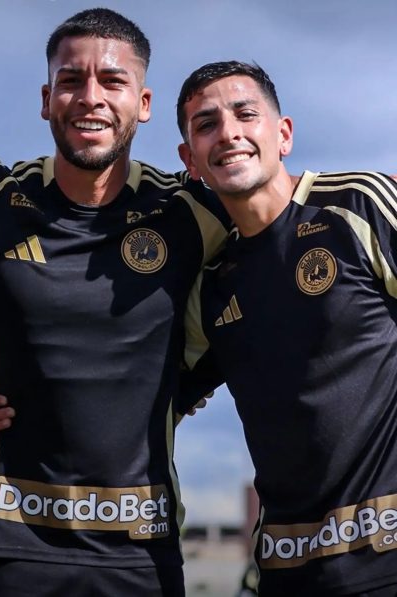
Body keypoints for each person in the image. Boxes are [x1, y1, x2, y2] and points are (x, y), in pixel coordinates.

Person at [0, 8, 229, 596]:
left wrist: (179, 392)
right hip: (15, 539)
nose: (90, 97)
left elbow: (275, 265)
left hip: (143, 545)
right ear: (47, 99)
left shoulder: (193, 214)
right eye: (71, 81)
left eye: (112, 81)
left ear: (143, 104)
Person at [176, 61, 397, 595]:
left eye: (245, 114)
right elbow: (136, 394)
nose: (228, 133)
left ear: (284, 134)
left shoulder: (360, 205)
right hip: (288, 571)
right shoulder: (212, 283)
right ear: (190, 161)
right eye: (206, 124)